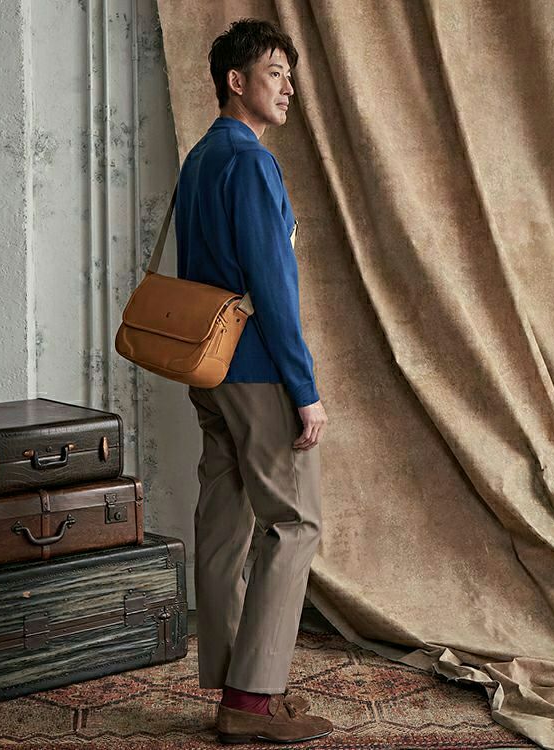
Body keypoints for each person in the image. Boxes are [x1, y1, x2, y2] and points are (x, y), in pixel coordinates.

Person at [175, 18, 332, 745]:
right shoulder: (250, 161)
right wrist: (304, 388)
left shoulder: (200, 159)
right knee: (294, 524)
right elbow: (272, 285)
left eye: (290, 76)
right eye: (275, 73)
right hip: (258, 370)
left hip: (207, 367)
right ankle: (251, 700)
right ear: (235, 81)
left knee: (224, 522)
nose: (289, 88)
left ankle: (230, 683)